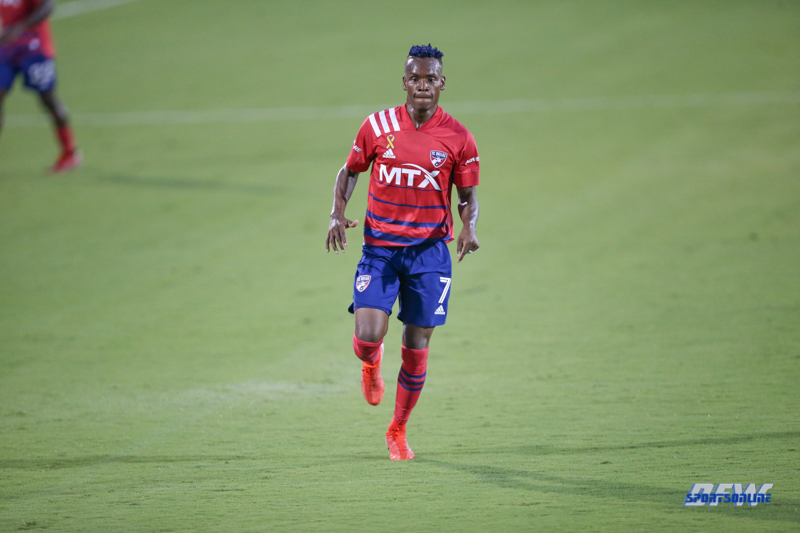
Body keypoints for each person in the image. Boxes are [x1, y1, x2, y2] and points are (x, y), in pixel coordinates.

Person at [325, 44, 481, 460]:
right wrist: (337, 213)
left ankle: (397, 429)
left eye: (431, 79)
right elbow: (349, 170)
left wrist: (469, 226)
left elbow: (467, 195)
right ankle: (370, 363)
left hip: (429, 254)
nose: (423, 85)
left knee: (416, 344)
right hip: (380, 249)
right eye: (415, 78)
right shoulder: (377, 126)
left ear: (442, 83)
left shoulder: (459, 138)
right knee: (367, 335)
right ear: (405, 82)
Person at [0, 0, 80, 172]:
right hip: (6, 47)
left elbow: (47, 7)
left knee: (48, 99)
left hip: (34, 47)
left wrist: (20, 27)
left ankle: (70, 152)